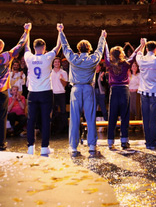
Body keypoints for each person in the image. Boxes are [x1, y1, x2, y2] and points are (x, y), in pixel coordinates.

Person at [59, 23, 106, 157]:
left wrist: (61, 31)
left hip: (76, 89)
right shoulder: (93, 59)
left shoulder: (74, 58)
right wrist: (102, 37)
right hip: (88, 89)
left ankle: (73, 147)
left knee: (74, 118)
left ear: (79, 49)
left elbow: (65, 46)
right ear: (89, 49)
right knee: (90, 117)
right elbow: (100, 50)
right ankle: (92, 145)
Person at [24, 23, 61, 156]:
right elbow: (58, 46)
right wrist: (60, 31)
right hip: (45, 93)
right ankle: (44, 147)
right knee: (46, 119)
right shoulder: (47, 57)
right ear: (44, 48)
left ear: (35, 48)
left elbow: (25, 46)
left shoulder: (29, 57)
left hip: (33, 93)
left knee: (31, 120)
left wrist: (27, 31)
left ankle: (30, 147)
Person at [104, 40, 142, 150]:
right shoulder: (125, 64)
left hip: (114, 90)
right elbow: (134, 53)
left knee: (112, 116)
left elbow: (106, 55)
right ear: (121, 54)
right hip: (124, 91)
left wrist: (105, 42)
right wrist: (141, 45)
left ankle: (110, 141)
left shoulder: (110, 64)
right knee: (125, 116)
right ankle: (124, 141)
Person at [0, 24, 29, 150]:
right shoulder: (5, 56)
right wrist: (26, 31)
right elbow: (20, 45)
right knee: (1, 118)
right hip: (1, 92)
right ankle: (1, 144)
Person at [51, 57, 68, 133]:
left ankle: (64, 129)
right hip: (53, 93)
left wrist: (61, 79)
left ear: (60, 63)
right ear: (53, 63)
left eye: (58, 62)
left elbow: (65, 84)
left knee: (63, 111)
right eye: (55, 62)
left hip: (61, 93)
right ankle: (54, 128)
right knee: (53, 111)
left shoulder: (63, 72)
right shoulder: (50, 72)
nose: (57, 63)